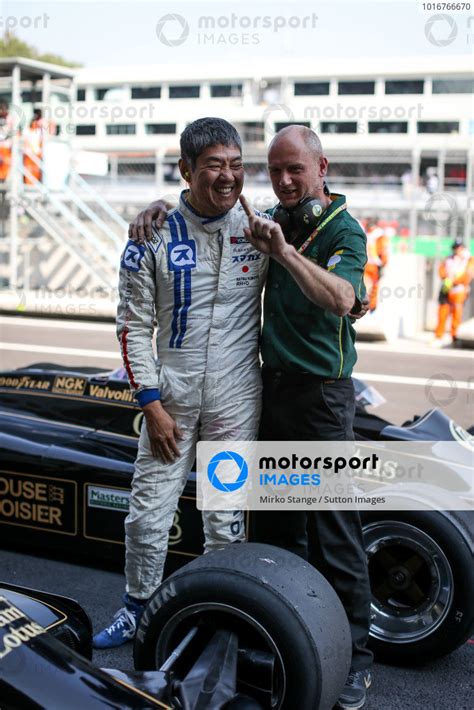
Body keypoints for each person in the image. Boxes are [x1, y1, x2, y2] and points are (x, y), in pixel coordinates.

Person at [130, 124, 372, 710]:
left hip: (322, 399)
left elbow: (344, 298)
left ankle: (357, 658)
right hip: (268, 390)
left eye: (297, 170)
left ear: (323, 168)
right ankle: (273, 637)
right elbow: (207, 212)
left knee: (333, 526)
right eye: (276, 171)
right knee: (270, 526)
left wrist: (292, 257)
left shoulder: (343, 227)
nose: (285, 181)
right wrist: (159, 207)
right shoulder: (272, 217)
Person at [93, 117, 268, 648]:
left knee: (224, 517)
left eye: (236, 165)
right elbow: (131, 327)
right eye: (214, 165)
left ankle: (220, 617)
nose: (227, 176)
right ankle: (137, 608)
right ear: (185, 170)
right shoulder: (151, 233)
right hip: (169, 403)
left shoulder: (259, 228)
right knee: (148, 515)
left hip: (235, 400)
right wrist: (150, 404)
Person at [433, 237, 472, 346]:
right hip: (446, 289)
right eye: (455, 248)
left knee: (456, 314)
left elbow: (468, 275)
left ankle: (454, 338)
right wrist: (446, 278)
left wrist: (454, 280)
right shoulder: (448, 258)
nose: (457, 250)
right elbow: (441, 270)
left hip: (459, 290)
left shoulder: (468, 259)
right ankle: (438, 336)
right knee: (442, 312)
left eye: (459, 248)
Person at [363, 217, 389, 312]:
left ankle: (371, 306)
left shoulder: (379, 235)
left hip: (373, 264)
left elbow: (383, 251)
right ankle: (369, 305)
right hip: (368, 264)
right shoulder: (368, 233)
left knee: (373, 286)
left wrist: (382, 264)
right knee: (369, 286)